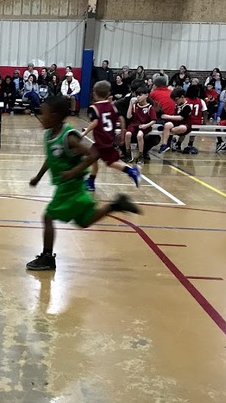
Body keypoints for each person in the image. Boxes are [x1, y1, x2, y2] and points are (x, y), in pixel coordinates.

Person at [26, 94, 141, 272]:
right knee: (84, 222)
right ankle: (115, 205)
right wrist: (39, 176)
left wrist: (73, 172)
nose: (41, 117)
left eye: (44, 113)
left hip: (70, 184)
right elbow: (50, 158)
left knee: (47, 217)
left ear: (55, 116)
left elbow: (93, 155)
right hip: (68, 184)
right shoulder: (49, 134)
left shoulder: (69, 136)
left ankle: (47, 257)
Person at [84, 81, 140, 191]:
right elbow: (122, 119)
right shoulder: (113, 106)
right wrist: (122, 134)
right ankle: (91, 181)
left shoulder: (93, 108)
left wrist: (84, 132)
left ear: (94, 93)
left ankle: (131, 171)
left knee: (110, 163)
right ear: (108, 94)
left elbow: (95, 122)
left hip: (102, 141)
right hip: (109, 139)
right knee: (92, 157)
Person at [125, 86, 157, 164]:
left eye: (140, 95)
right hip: (134, 125)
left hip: (144, 125)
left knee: (139, 135)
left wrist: (146, 125)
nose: (138, 97)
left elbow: (154, 120)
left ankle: (140, 155)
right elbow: (128, 116)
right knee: (127, 134)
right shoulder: (134, 106)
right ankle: (128, 153)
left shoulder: (150, 107)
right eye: (137, 95)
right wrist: (130, 104)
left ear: (146, 95)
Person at [156, 88, 193, 154]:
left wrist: (168, 116)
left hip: (185, 124)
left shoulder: (187, 106)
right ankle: (164, 145)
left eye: (176, 99)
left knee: (177, 129)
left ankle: (167, 132)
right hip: (176, 123)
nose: (175, 102)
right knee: (168, 125)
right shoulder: (177, 105)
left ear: (182, 97)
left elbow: (181, 118)